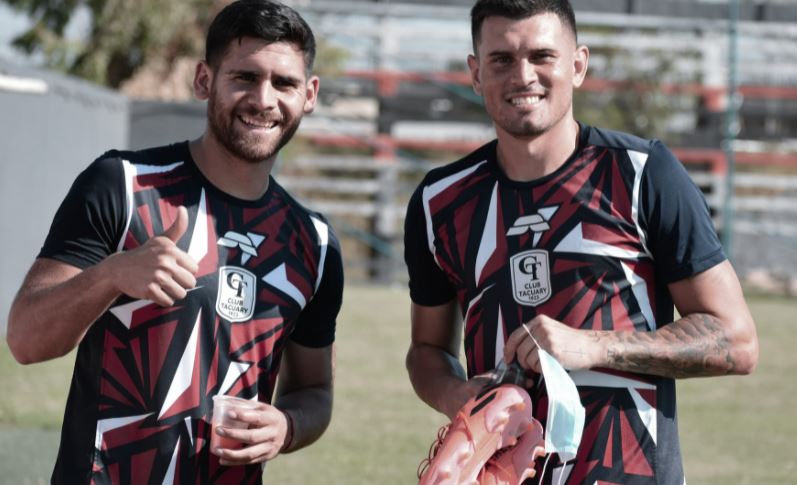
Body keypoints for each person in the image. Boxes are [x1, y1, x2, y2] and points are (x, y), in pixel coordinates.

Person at [403, 0, 759, 483]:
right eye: (501, 59)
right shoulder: (439, 201)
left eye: (542, 56)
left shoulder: (642, 174)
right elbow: (426, 349)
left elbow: (737, 342)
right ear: (475, 72)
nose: (523, 76)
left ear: (578, 65)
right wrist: (457, 397)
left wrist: (592, 347)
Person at [6, 1, 343, 483]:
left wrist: (287, 426)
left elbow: (315, 392)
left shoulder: (316, 243)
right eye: (244, 77)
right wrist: (113, 274)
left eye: (284, 83)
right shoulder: (122, 185)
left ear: (309, 95)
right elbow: (25, 339)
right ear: (204, 80)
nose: (264, 99)